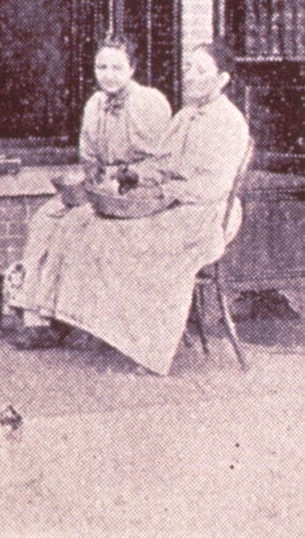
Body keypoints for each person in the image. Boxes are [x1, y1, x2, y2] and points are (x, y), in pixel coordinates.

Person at [25, 42, 251, 375]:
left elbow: (212, 186)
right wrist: (133, 175)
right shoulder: (185, 116)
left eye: (201, 71)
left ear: (223, 79)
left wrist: (164, 192)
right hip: (173, 204)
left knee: (141, 248)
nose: (189, 76)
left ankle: (150, 349)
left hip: (204, 214)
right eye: (188, 68)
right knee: (100, 231)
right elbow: (161, 164)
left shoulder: (229, 122)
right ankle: (107, 330)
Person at [8, 36, 172, 349]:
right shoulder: (95, 104)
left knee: (75, 224)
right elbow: (90, 157)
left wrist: (122, 178)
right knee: (45, 218)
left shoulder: (149, 102)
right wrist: (88, 178)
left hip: (136, 192)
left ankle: (67, 316)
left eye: (117, 67)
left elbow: (161, 162)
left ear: (132, 69)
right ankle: (37, 318)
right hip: (101, 187)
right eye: (102, 66)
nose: (108, 74)